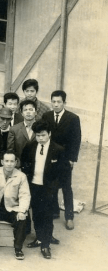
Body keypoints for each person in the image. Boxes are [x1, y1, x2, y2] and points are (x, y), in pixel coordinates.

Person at [21, 121, 66, 259]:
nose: (40, 138)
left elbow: (63, 172)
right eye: (38, 135)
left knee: (47, 215)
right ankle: (39, 238)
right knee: (36, 214)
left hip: (48, 188)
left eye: (43, 135)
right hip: (33, 186)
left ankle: (45, 245)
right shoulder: (30, 146)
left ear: (49, 134)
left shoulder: (57, 150)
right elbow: (24, 161)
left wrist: (54, 187)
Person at [43, 90, 81, 230]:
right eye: (53, 102)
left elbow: (76, 140)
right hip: (50, 156)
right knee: (51, 183)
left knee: (66, 187)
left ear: (65, 103)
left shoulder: (73, 118)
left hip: (65, 158)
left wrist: (72, 159)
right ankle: (54, 211)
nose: (56, 104)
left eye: (59, 102)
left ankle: (69, 217)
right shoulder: (46, 116)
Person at [0, 151, 30, 259]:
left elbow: (25, 195)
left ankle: (18, 248)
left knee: (22, 219)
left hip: (12, 207)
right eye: (6, 161)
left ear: (15, 162)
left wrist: (22, 210)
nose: (9, 164)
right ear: (2, 162)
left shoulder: (21, 176)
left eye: (11, 161)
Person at [8, 99, 40, 169]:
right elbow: (11, 150)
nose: (28, 112)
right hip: (19, 167)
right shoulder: (14, 129)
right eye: (25, 110)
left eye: (31, 109)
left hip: (38, 166)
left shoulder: (41, 128)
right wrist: (17, 165)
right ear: (21, 113)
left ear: (36, 112)